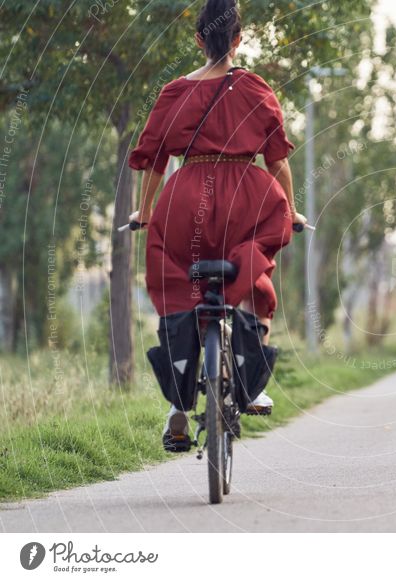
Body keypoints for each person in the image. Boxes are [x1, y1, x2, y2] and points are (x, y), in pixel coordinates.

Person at [127, 0, 305, 449]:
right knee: (250, 270)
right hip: (247, 194)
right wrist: (292, 209)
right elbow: (278, 160)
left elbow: (153, 163)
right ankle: (253, 382)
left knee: (180, 286)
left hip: (185, 198)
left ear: (198, 40)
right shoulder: (254, 88)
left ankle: (177, 407)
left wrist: (146, 212)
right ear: (239, 39)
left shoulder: (173, 92)